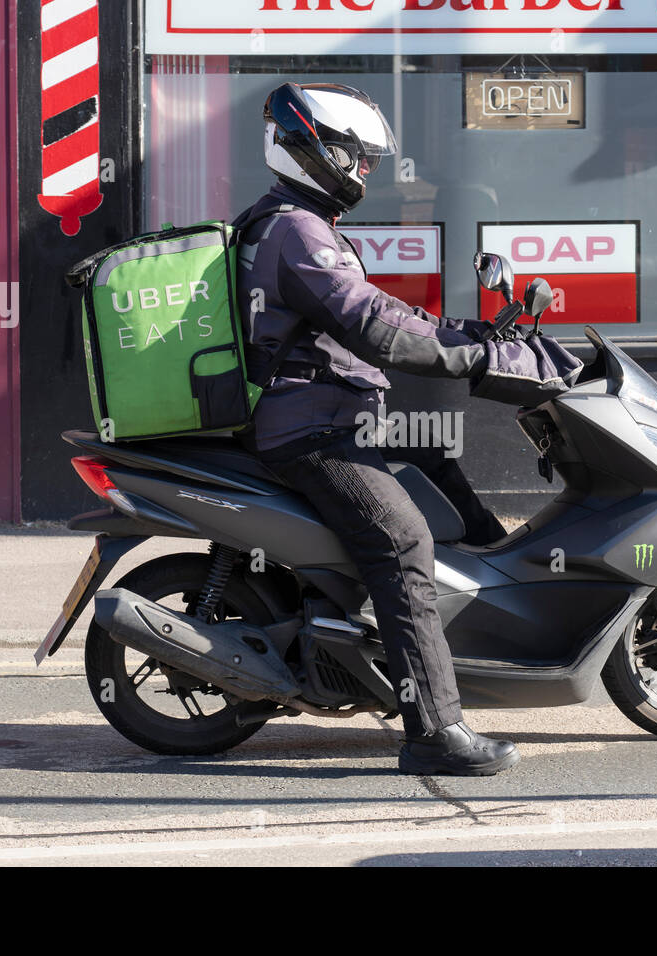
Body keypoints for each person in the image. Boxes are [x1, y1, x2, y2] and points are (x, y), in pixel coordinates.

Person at [233, 83, 551, 776]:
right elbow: (370, 326)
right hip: (313, 431)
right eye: (360, 157)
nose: (368, 172)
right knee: (403, 542)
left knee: (437, 462)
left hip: (329, 415)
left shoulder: (289, 220)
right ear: (318, 152)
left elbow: (376, 310)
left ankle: (491, 619)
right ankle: (434, 731)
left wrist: (465, 332)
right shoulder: (297, 230)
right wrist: (474, 357)